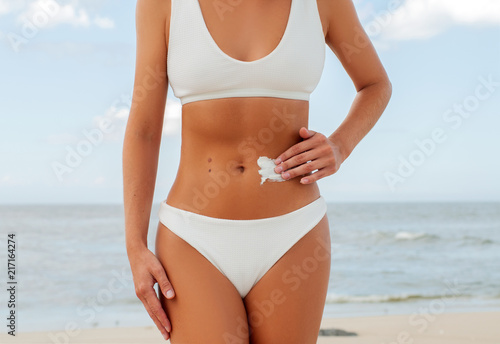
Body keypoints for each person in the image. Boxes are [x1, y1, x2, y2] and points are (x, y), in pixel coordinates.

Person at [123, 0, 392, 342]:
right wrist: (135, 245)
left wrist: (341, 145)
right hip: (193, 238)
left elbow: (376, 84)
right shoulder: (163, 5)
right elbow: (144, 130)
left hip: (294, 233)